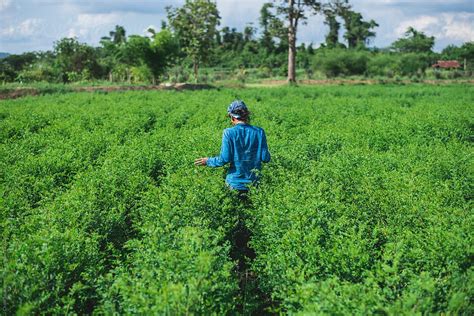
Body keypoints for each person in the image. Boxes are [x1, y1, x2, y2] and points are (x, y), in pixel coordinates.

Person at [194, 100, 271, 192]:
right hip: (254, 184)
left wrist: (208, 161)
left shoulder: (229, 133)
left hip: (235, 184)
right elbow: (265, 158)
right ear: (247, 116)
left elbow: (224, 159)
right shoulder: (259, 131)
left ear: (232, 117)